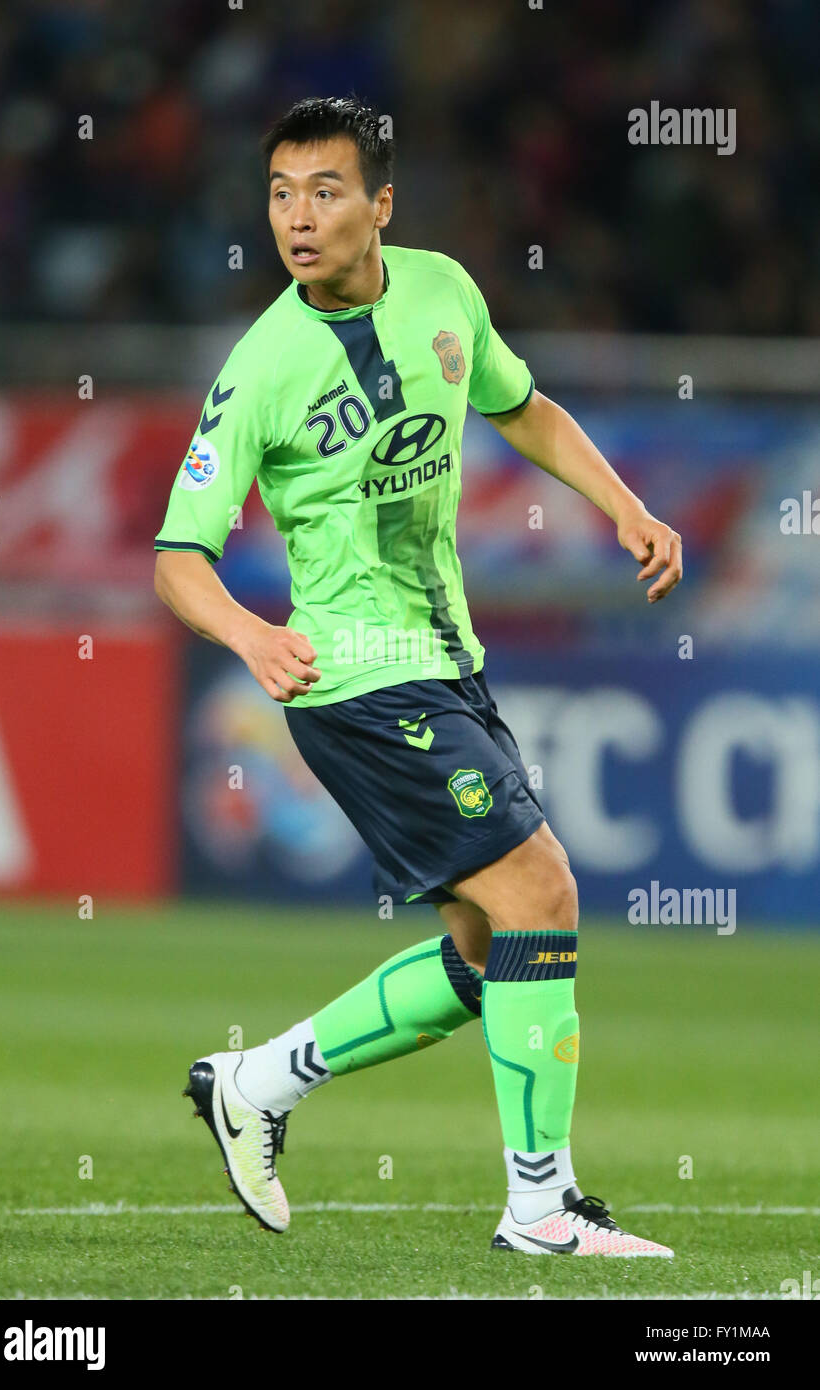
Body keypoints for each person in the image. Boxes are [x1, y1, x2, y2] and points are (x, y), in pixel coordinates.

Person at [155, 95, 682, 1257]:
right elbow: (176, 557)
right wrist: (248, 637)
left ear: (379, 204)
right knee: (540, 888)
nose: (298, 218)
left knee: (494, 949)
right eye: (282, 194)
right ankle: (540, 1207)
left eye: (325, 192)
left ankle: (257, 1081)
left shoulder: (443, 290)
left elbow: (522, 406)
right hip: (351, 680)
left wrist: (627, 508)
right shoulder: (263, 367)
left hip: (447, 661)